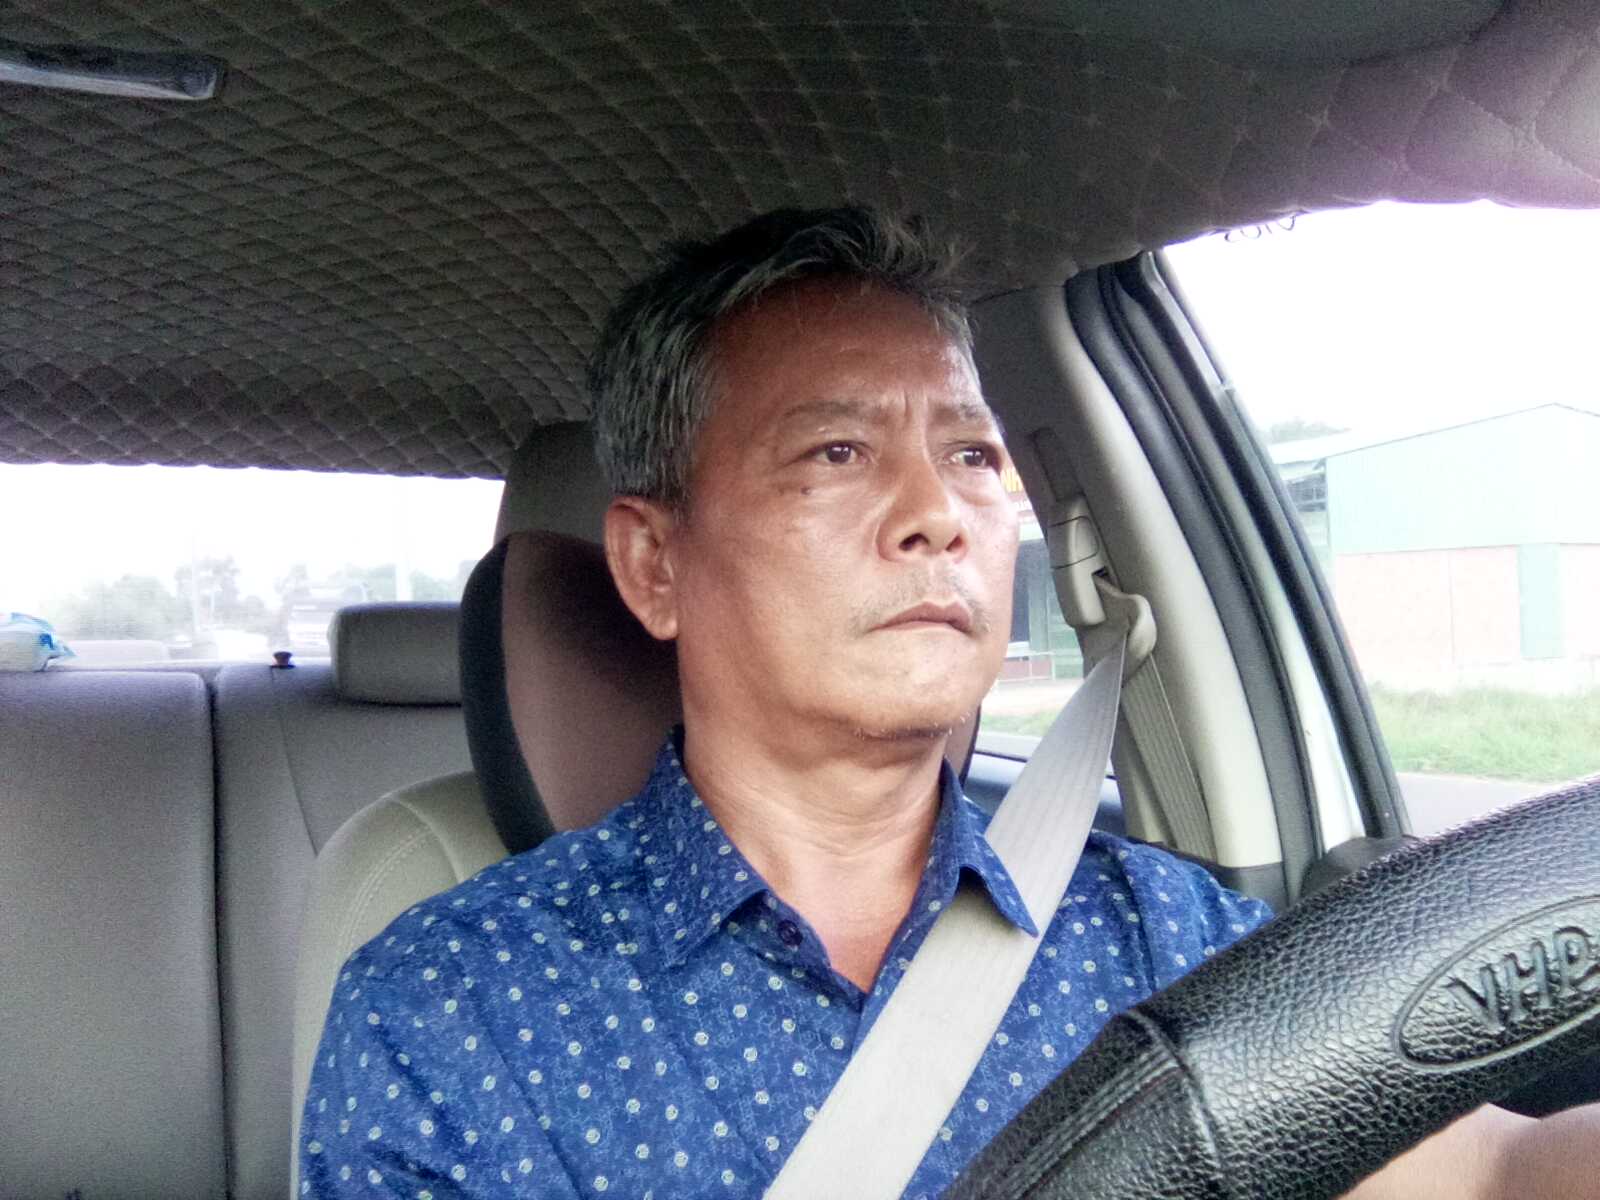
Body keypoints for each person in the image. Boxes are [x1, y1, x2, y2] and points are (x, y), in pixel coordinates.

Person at [299, 207, 1597, 1198]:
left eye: (972, 453)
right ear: (654, 565)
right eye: (837, 451)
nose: (940, 513)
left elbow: (1491, 1174)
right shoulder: (453, 1009)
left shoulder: (1167, 933)